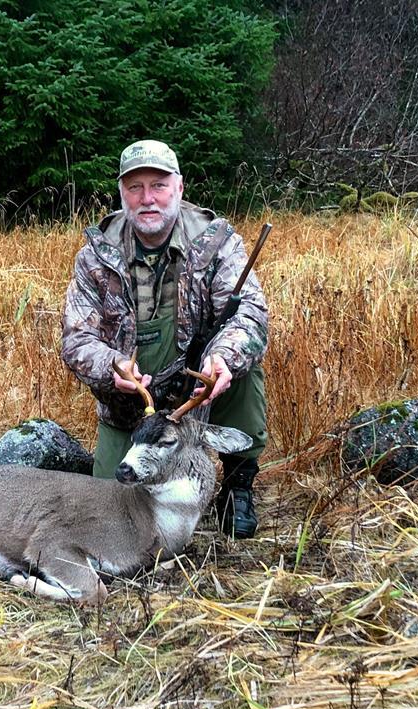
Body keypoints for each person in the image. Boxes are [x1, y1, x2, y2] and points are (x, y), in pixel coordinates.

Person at [61, 140, 268, 538]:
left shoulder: (216, 242)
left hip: (199, 395)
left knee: (242, 367)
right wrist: (112, 368)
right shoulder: (96, 255)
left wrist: (222, 359)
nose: (147, 198)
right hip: (132, 404)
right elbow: (76, 339)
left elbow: (250, 315)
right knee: (109, 502)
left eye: (158, 185)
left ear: (179, 187)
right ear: (122, 193)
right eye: (135, 188)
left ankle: (237, 486)